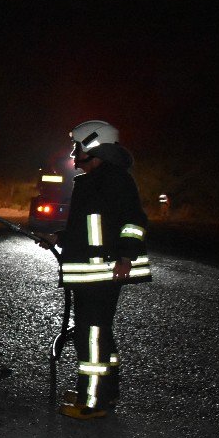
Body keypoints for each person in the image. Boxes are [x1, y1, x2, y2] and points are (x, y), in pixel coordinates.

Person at [38, 120, 151, 420]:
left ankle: (92, 402)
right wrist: (59, 238)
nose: (74, 155)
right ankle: (106, 392)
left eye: (78, 148)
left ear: (95, 147)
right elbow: (91, 228)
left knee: (91, 336)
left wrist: (126, 257)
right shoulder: (97, 181)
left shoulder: (114, 181)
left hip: (103, 272)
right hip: (94, 272)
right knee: (100, 335)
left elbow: (133, 222)